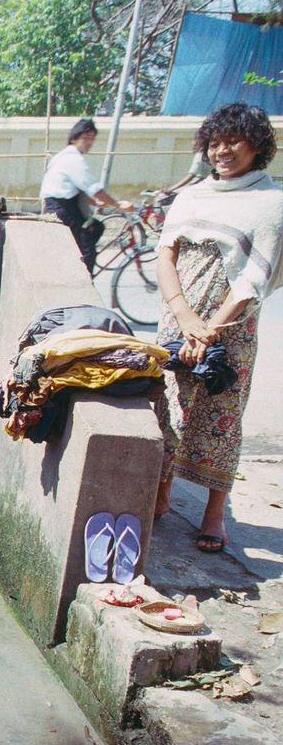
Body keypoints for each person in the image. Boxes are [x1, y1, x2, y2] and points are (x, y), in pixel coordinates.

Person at [153, 103, 282, 554]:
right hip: (178, 316)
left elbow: (252, 280)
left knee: (221, 413)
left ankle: (213, 514)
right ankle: (162, 493)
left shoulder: (270, 203)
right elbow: (166, 254)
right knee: (168, 406)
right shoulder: (191, 196)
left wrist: (209, 329)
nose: (222, 151)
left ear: (257, 147)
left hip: (231, 326)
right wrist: (185, 318)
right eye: (214, 143)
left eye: (233, 142)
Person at [39, 119, 135, 272]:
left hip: (61, 208)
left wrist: (97, 203)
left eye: (92, 138)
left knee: (97, 227)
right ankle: (82, 285)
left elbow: (78, 189)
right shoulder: (73, 159)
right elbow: (93, 188)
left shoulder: (61, 157)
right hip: (64, 211)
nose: (89, 142)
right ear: (74, 138)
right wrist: (119, 205)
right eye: (85, 138)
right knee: (87, 253)